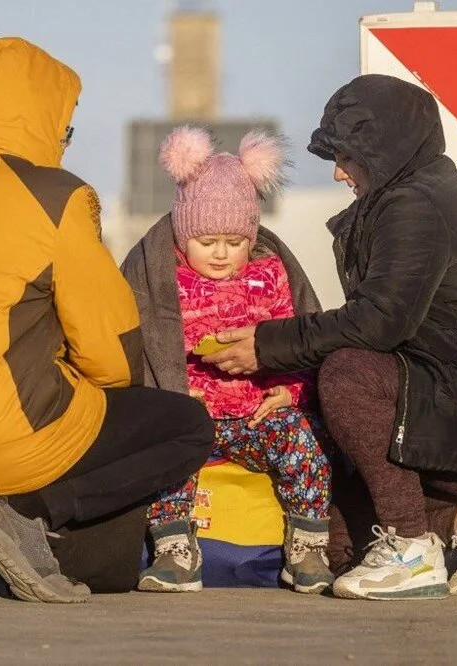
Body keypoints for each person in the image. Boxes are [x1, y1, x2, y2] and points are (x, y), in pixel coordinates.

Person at [204, 75, 457, 600]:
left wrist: (266, 346)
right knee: (341, 544)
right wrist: (296, 384)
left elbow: (378, 322)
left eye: (345, 156)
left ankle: (412, 547)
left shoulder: (414, 206)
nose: (339, 173)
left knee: (347, 374)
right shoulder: (418, 198)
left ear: (382, 150)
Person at [0, 38, 214, 604]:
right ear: (42, 121)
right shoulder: (56, 197)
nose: (65, 144)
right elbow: (107, 347)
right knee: (186, 426)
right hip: (2, 437)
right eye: (63, 128)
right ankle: (19, 514)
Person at [122, 127, 335, 594]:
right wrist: (176, 395)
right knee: (171, 456)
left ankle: (308, 547)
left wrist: (292, 391)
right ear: (183, 237)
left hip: (257, 414)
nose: (221, 253)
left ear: (252, 237)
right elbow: (142, 348)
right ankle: (175, 549)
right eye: (208, 241)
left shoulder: (271, 276)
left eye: (235, 241)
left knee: (304, 447)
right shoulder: (164, 281)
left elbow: (297, 337)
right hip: (193, 414)